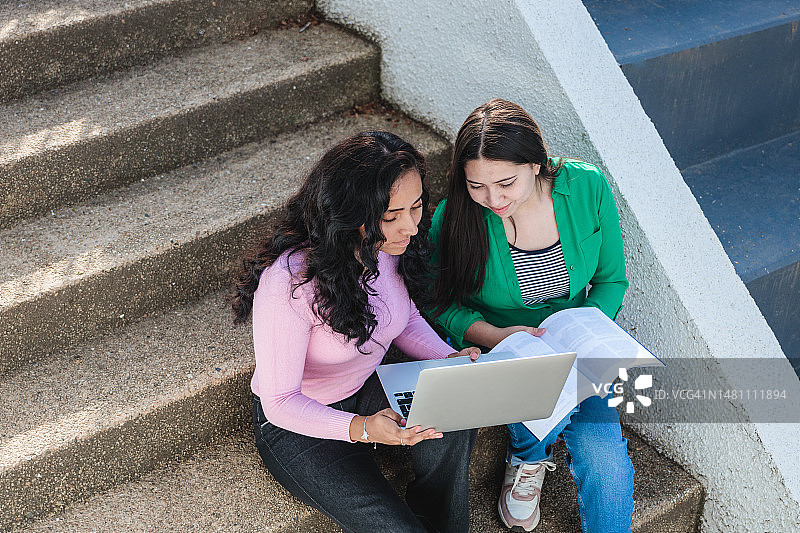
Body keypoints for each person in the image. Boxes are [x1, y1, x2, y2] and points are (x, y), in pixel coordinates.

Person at [232, 130, 480, 533]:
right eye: (390, 217)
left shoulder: (388, 248)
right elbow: (279, 401)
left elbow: (405, 316)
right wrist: (361, 429)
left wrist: (445, 356)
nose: (411, 228)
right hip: (298, 422)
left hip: (367, 385)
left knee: (458, 405)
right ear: (352, 214)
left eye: (415, 207)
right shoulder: (291, 282)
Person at [427, 99, 634, 532]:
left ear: (536, 164)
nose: (493, 199)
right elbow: (435, 301)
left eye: (505, 183)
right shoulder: (455, 218)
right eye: (476, 185)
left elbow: (612, 280)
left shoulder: (587, 187)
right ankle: (528, 455)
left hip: (581, 342)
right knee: (533, 403)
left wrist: (585, 333)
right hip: (507, 347)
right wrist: (497, 335)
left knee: (607, 464)